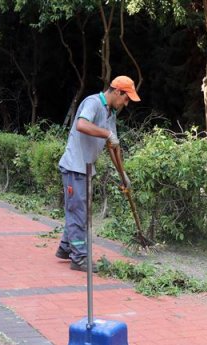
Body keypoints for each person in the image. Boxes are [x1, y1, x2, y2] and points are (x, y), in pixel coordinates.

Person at [55, 76, 140, 272]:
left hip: (85, 168)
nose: (126, 104)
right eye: (126, 99)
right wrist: (106, 134)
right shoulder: (92, 103)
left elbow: (113, 145)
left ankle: (66, 248)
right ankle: (79, 258)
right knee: (79, 212)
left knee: (78, 210)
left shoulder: (110, 114)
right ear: (118, 92)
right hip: (75, 167)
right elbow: (82, 125)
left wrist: (123, 175)